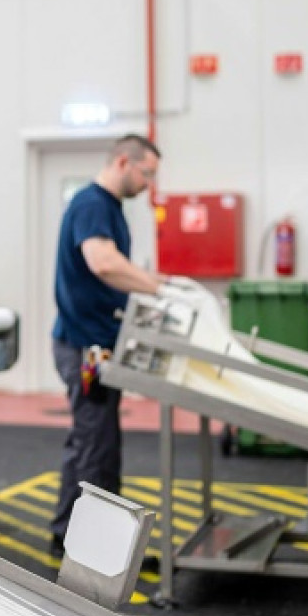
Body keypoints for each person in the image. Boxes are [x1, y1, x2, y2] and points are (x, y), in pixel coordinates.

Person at [48, 134, 193, 555]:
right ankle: (90, 547)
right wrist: (159, 289)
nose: (149, 184)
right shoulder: (93, 204)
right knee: (97, 445)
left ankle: (66, 530)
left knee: (89, 441)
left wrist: (154, 285)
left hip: (90, 343)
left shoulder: (105, 207)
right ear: (123, 162)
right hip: (85, 349)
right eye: (146, 173)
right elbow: (103, 262)